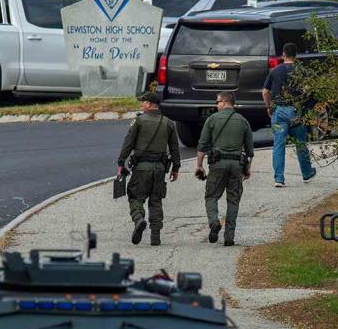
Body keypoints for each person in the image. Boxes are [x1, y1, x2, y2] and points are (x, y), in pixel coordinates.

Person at [117, 92, 181, 246]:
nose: (142, 105)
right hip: (160, 169)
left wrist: (121, 162)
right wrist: (176, 168)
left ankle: (139, 219)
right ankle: (155, 236)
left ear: (151, 104)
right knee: (156, 201)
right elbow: (174, 149)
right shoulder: (168, 123)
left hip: (141, 168)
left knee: (135, 197)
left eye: (144, 102)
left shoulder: (138, 121)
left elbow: (128, 143)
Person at [194, 91, 253, 246]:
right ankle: (229, 237)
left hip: (217, 165)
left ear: (225, 102)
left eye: (218, 102)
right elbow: (249, 151)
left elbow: (202, 145)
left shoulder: (212, 120)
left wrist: (199, 166)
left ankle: (214, 222)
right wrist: (247, 170)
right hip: (236, 166)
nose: (216, 104)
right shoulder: (243, 121)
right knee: (233, 200)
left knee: (211, 196)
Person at [262, 42, 317, 187]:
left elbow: (265, 92)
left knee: (279, 144)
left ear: (283, 54)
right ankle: (306, 173)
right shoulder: (302, 71)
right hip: (295, 112)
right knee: (300, 143)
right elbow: (309, 91)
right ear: (296, 55)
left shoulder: (275, 71)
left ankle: (278, 178)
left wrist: (268, 107)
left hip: (279, 111)